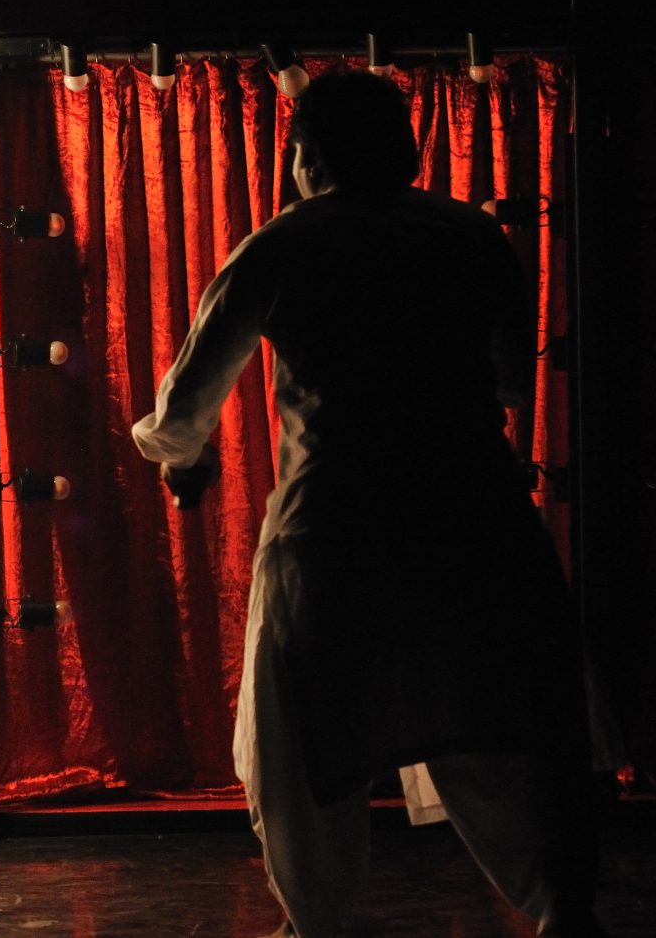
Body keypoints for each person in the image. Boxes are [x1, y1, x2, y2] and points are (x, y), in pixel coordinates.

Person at [133, 73, 603, 937]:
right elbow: (507, 380)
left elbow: (187, 401)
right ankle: (563, 911)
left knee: (304, 749)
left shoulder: (282, 244)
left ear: (307, 156)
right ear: (407, 150)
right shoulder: (473, 237)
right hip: (476, 515)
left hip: (334, 528)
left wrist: (179, 458)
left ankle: (315, 922)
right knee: (500, 730)